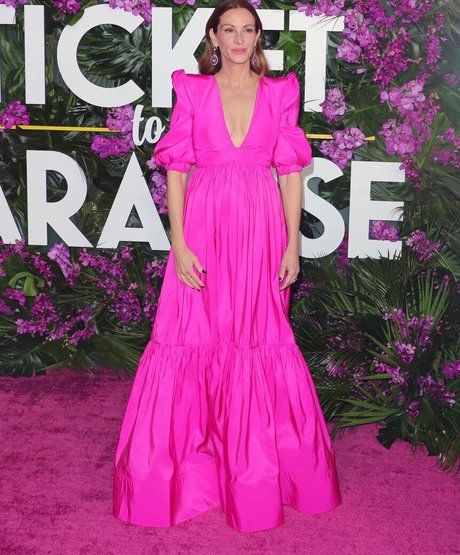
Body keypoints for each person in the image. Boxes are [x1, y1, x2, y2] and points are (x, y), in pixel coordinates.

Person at [113, 0, 341, 533]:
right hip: (203, 230)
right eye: (229, 30)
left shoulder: (280, 93)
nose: (239, 39)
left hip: (261, 233)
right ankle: (184, 474)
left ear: (258, 38)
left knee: (257, 338)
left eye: (248, 30)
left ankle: (255, 477)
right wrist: (179, 242)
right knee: (190, 335)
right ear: (213, 37)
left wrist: (291, 246)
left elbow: (290, 174)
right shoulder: (192, 90)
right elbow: (176, 171)